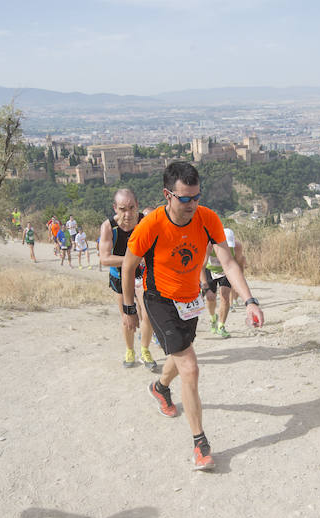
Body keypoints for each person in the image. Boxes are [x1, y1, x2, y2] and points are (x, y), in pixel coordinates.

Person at [122, 162, 265, 470]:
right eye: (184, 198)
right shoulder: (151, 225)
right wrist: (129, 308)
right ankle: (201, 444)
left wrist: (250, 299)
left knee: (180, 354)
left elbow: (228, 264)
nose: (192, 204)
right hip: (158, 299)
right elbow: (128, 266)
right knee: (190, 366)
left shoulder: (207, 218)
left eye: (196, 197)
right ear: (167, 195)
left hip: (191, 301)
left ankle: (159, 388)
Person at [99, 189, 158, 371]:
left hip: (141, 275)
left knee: (147, 315)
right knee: (127, 316)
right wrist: (131, 259)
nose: (128, 214)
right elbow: (104, 258)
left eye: (131, 208)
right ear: (115, 208)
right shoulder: (109, 227)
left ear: (137, 205)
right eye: (123, 209)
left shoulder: (145, 221)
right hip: (119, 275)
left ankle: (145, 350)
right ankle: (129, 350)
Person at [201, 227, 245, 338]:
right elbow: (201, 267)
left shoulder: (237, 246)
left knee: (225, 296)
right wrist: (205, 286)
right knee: (210, 298)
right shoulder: (209, 245)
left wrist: (239, 279)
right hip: (210, 270)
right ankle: (213, 317)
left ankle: (221, 326)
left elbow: (239, 262)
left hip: (226, 271)